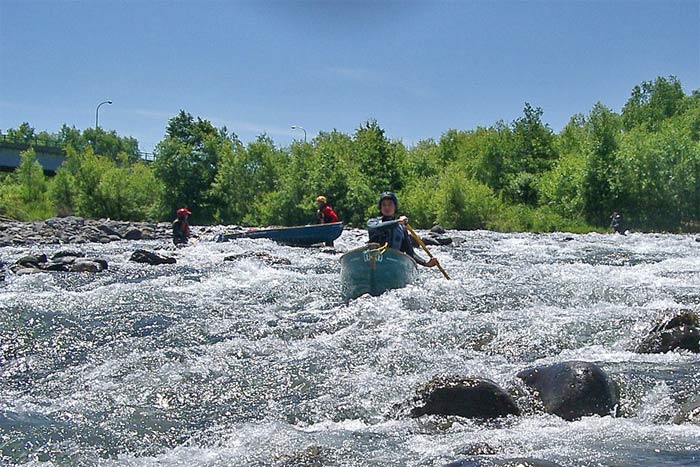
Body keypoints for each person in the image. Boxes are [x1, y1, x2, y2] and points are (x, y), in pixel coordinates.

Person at [366, 191, 438, 268]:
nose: (387, 207)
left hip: (394, 262)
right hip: (374, 258)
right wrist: (397, 222)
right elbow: (375, 228)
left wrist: (426, 263)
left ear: (395, 207)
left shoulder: (402, 228)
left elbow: (410, 253)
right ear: (380, 208)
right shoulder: (373, 222)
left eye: (390, 204)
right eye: (384, 205)